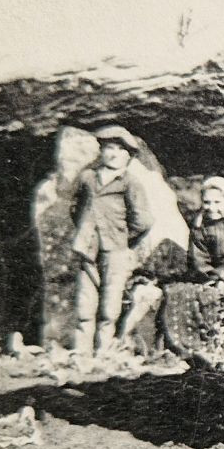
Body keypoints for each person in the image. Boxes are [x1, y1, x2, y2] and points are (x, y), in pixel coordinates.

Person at [158, 175, 224, 364]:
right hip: (218, 272)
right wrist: (218, 276)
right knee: (182, 293)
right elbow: (200, 262)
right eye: (207, 202)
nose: (212, 207)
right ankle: (194, 347)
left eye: (218, 202)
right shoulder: (200, 228)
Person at [70, 125, 152, 356]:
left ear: (128, 155)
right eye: (108, 148)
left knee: (110, 301)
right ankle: (80, 350)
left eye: (119, 149)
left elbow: (143, 220)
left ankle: (103, 349)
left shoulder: (129, 183)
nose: (113, 154)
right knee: (85, 299)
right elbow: (76, 208)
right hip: (87, 247)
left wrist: (122, 236)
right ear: (101, 151)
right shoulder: (88, 177)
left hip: (115, 248)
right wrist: (86, 230)